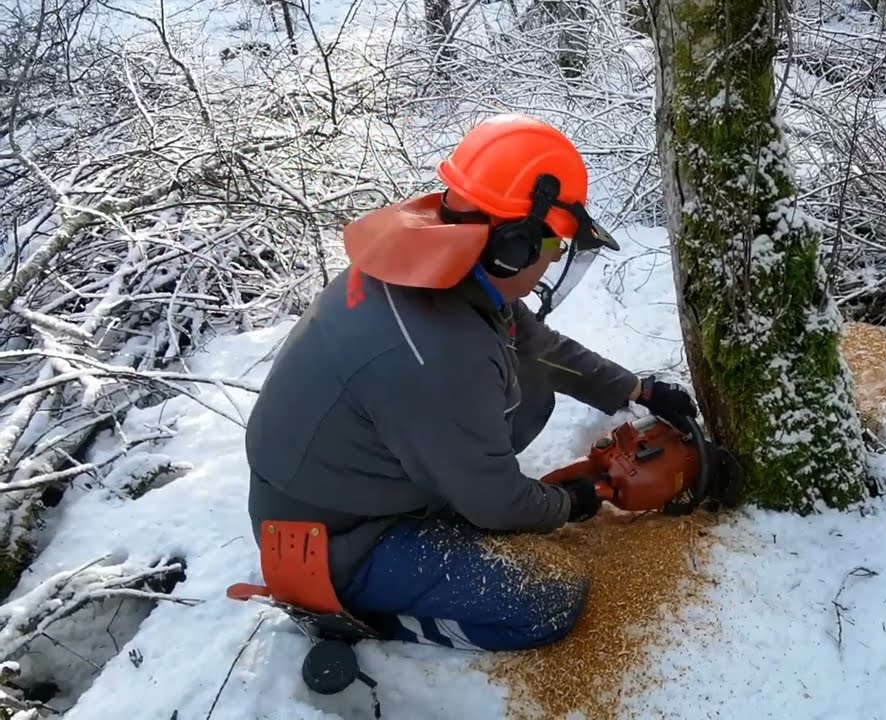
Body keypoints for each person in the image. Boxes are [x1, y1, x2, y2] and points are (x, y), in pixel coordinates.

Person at [242, 113, 697, 652]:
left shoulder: (441, 265)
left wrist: (635, 390)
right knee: (549, 597)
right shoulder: (437, 355)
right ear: (514, 246)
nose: (554, 259)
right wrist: (570, 503)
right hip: (335, 538)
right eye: (553, 247)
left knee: (527, 386)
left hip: (346, 475)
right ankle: (364, 615)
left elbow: (537, 348)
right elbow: (496, 504)